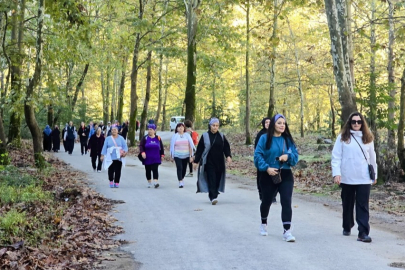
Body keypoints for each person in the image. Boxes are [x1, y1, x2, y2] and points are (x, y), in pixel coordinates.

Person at [331, 112, 377, 243]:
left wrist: (375, 175)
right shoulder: (342, 137)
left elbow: (372, 158)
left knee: (362, 205)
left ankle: (363, 232)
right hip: (347, 177)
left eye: (359, 121)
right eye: (353, 121)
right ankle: (347, 225)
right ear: (349, 123)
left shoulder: (368, 138)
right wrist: (337, 173)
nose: (356, 124)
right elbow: (336, 157)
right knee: (347, 203)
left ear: (363, 123)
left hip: (364, 177)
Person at [254, 114, 299, 241]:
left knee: (286, 201)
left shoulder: (288, 140)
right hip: (268, 174)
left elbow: (295, 156)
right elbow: (257, 156)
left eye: (284, 123)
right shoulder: (264, 138)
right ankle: (263, 223)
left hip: (285, 173)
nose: (282, 126)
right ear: (273, 124)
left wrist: (288, 157)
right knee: (267, 201)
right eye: (279, 123)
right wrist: (266, 168)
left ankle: (287, 231)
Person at [192, 118, 232, 205]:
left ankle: (215, 192)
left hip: (219, 162)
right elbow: (200, 149)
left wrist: (228, 156)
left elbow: (226, 147)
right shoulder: (205, 136)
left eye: (217, 126)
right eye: (213, 125)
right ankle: (212, 197)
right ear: (210, 126)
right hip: (209, 162)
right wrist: (196, 161)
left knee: (217, 179)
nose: (215, 127)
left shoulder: (221, 136)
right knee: (212, 178)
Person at [254, 117, 277, 204]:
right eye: (266, 122)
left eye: (269, 122)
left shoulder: (275, 133)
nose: (268, 124)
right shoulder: (260, 134)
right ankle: (262, 195)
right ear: (263, 124)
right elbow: (257, 149)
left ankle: (273, 196)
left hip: (273, 160)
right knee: (262, 179)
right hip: (262, 160)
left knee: (275, 178)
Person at [170, 122, 195, 188]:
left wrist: (191, 155)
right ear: (177, 128)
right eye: (179, 127)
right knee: (179, 167)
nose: (181, 128)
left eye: (182, 127)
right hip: (177, 155)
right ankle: (180, 181)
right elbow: (172, 146)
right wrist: (172, 156)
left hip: (186, 155)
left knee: (184, 168)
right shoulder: (175, 136)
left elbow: (190, 146)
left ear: (184, 128)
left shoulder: (187, 135)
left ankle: (182, 178)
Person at [139, 123, 164, 188]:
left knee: (155, 169)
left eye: (151, 129)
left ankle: (155, 182)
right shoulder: (145, 138)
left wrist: (162, 155)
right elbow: (141, 146)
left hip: (156, 157)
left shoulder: (158, 138)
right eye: (149, 129)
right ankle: (149, 182)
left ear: (154, 130)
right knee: (148, 170)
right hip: (147, 157)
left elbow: (161, 147)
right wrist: (142, 152)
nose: (150, 131)